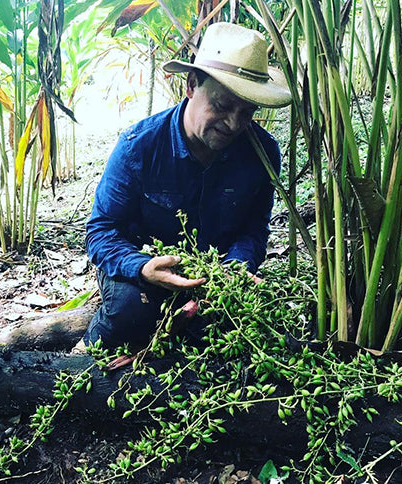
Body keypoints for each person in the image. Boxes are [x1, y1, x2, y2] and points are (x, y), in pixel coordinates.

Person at [80, 22, 291, 351]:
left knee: (237, 333)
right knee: (131, 312)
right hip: (143, 269)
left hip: (212, 274)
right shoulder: (139, 147)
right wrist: (142, 267)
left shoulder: (262, 153)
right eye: (221, 106)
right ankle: (88, 345)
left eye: (247, 112)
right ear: (192, 85)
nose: (234, 124)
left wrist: (235, 269)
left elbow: (253, 231)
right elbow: (101, 230)